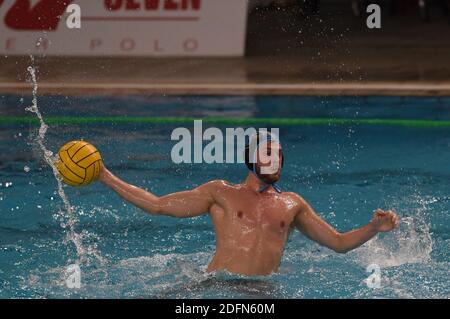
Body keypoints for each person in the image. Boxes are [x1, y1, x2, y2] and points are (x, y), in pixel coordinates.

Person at [98, 132, 399, 276]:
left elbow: (338, 242)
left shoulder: (292, 204)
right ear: (252, 160)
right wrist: (104, 175)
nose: (276, 160)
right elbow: (157, 205)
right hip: (214, 289)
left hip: (261, 294)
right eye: (269, 154)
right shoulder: (220, 193)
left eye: (279, 156)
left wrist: (374, 227)